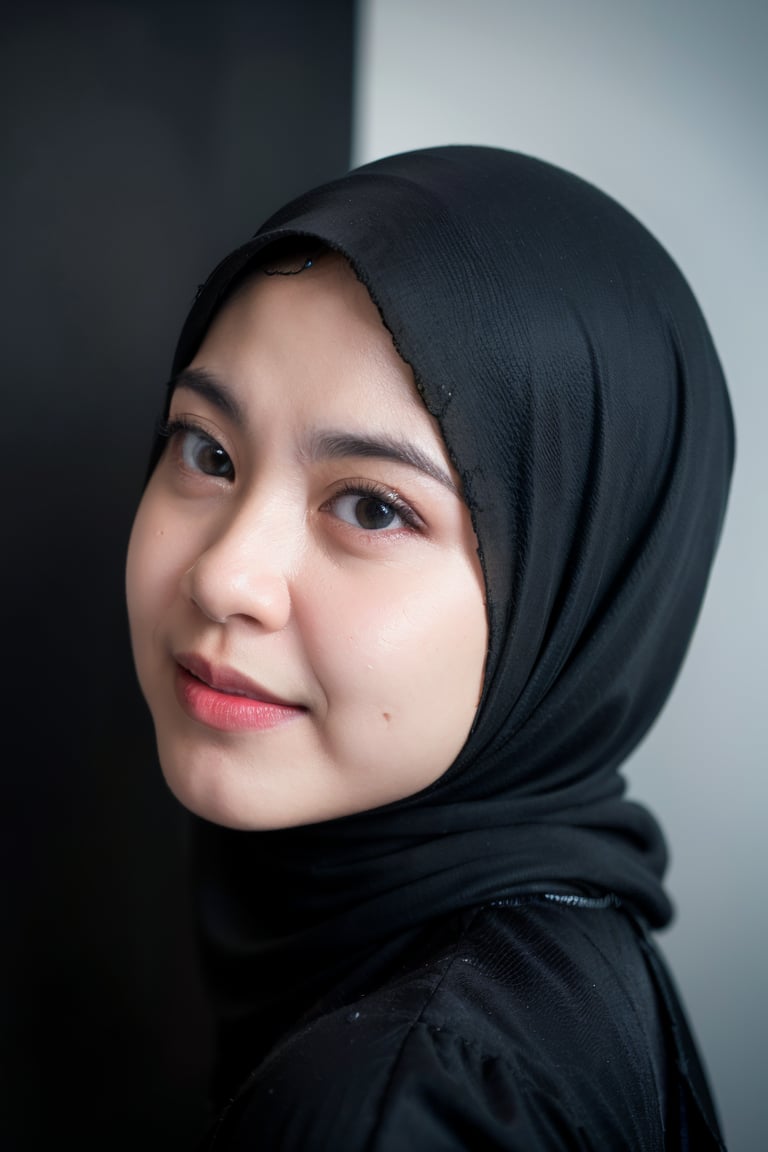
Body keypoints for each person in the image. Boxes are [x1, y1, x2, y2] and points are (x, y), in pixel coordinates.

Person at [125, 145, 734, 1149]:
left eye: (371, 505)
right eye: (209, 451)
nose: (226, 575)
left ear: (572, 588)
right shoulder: (555, 956)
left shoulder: (401, 1107)